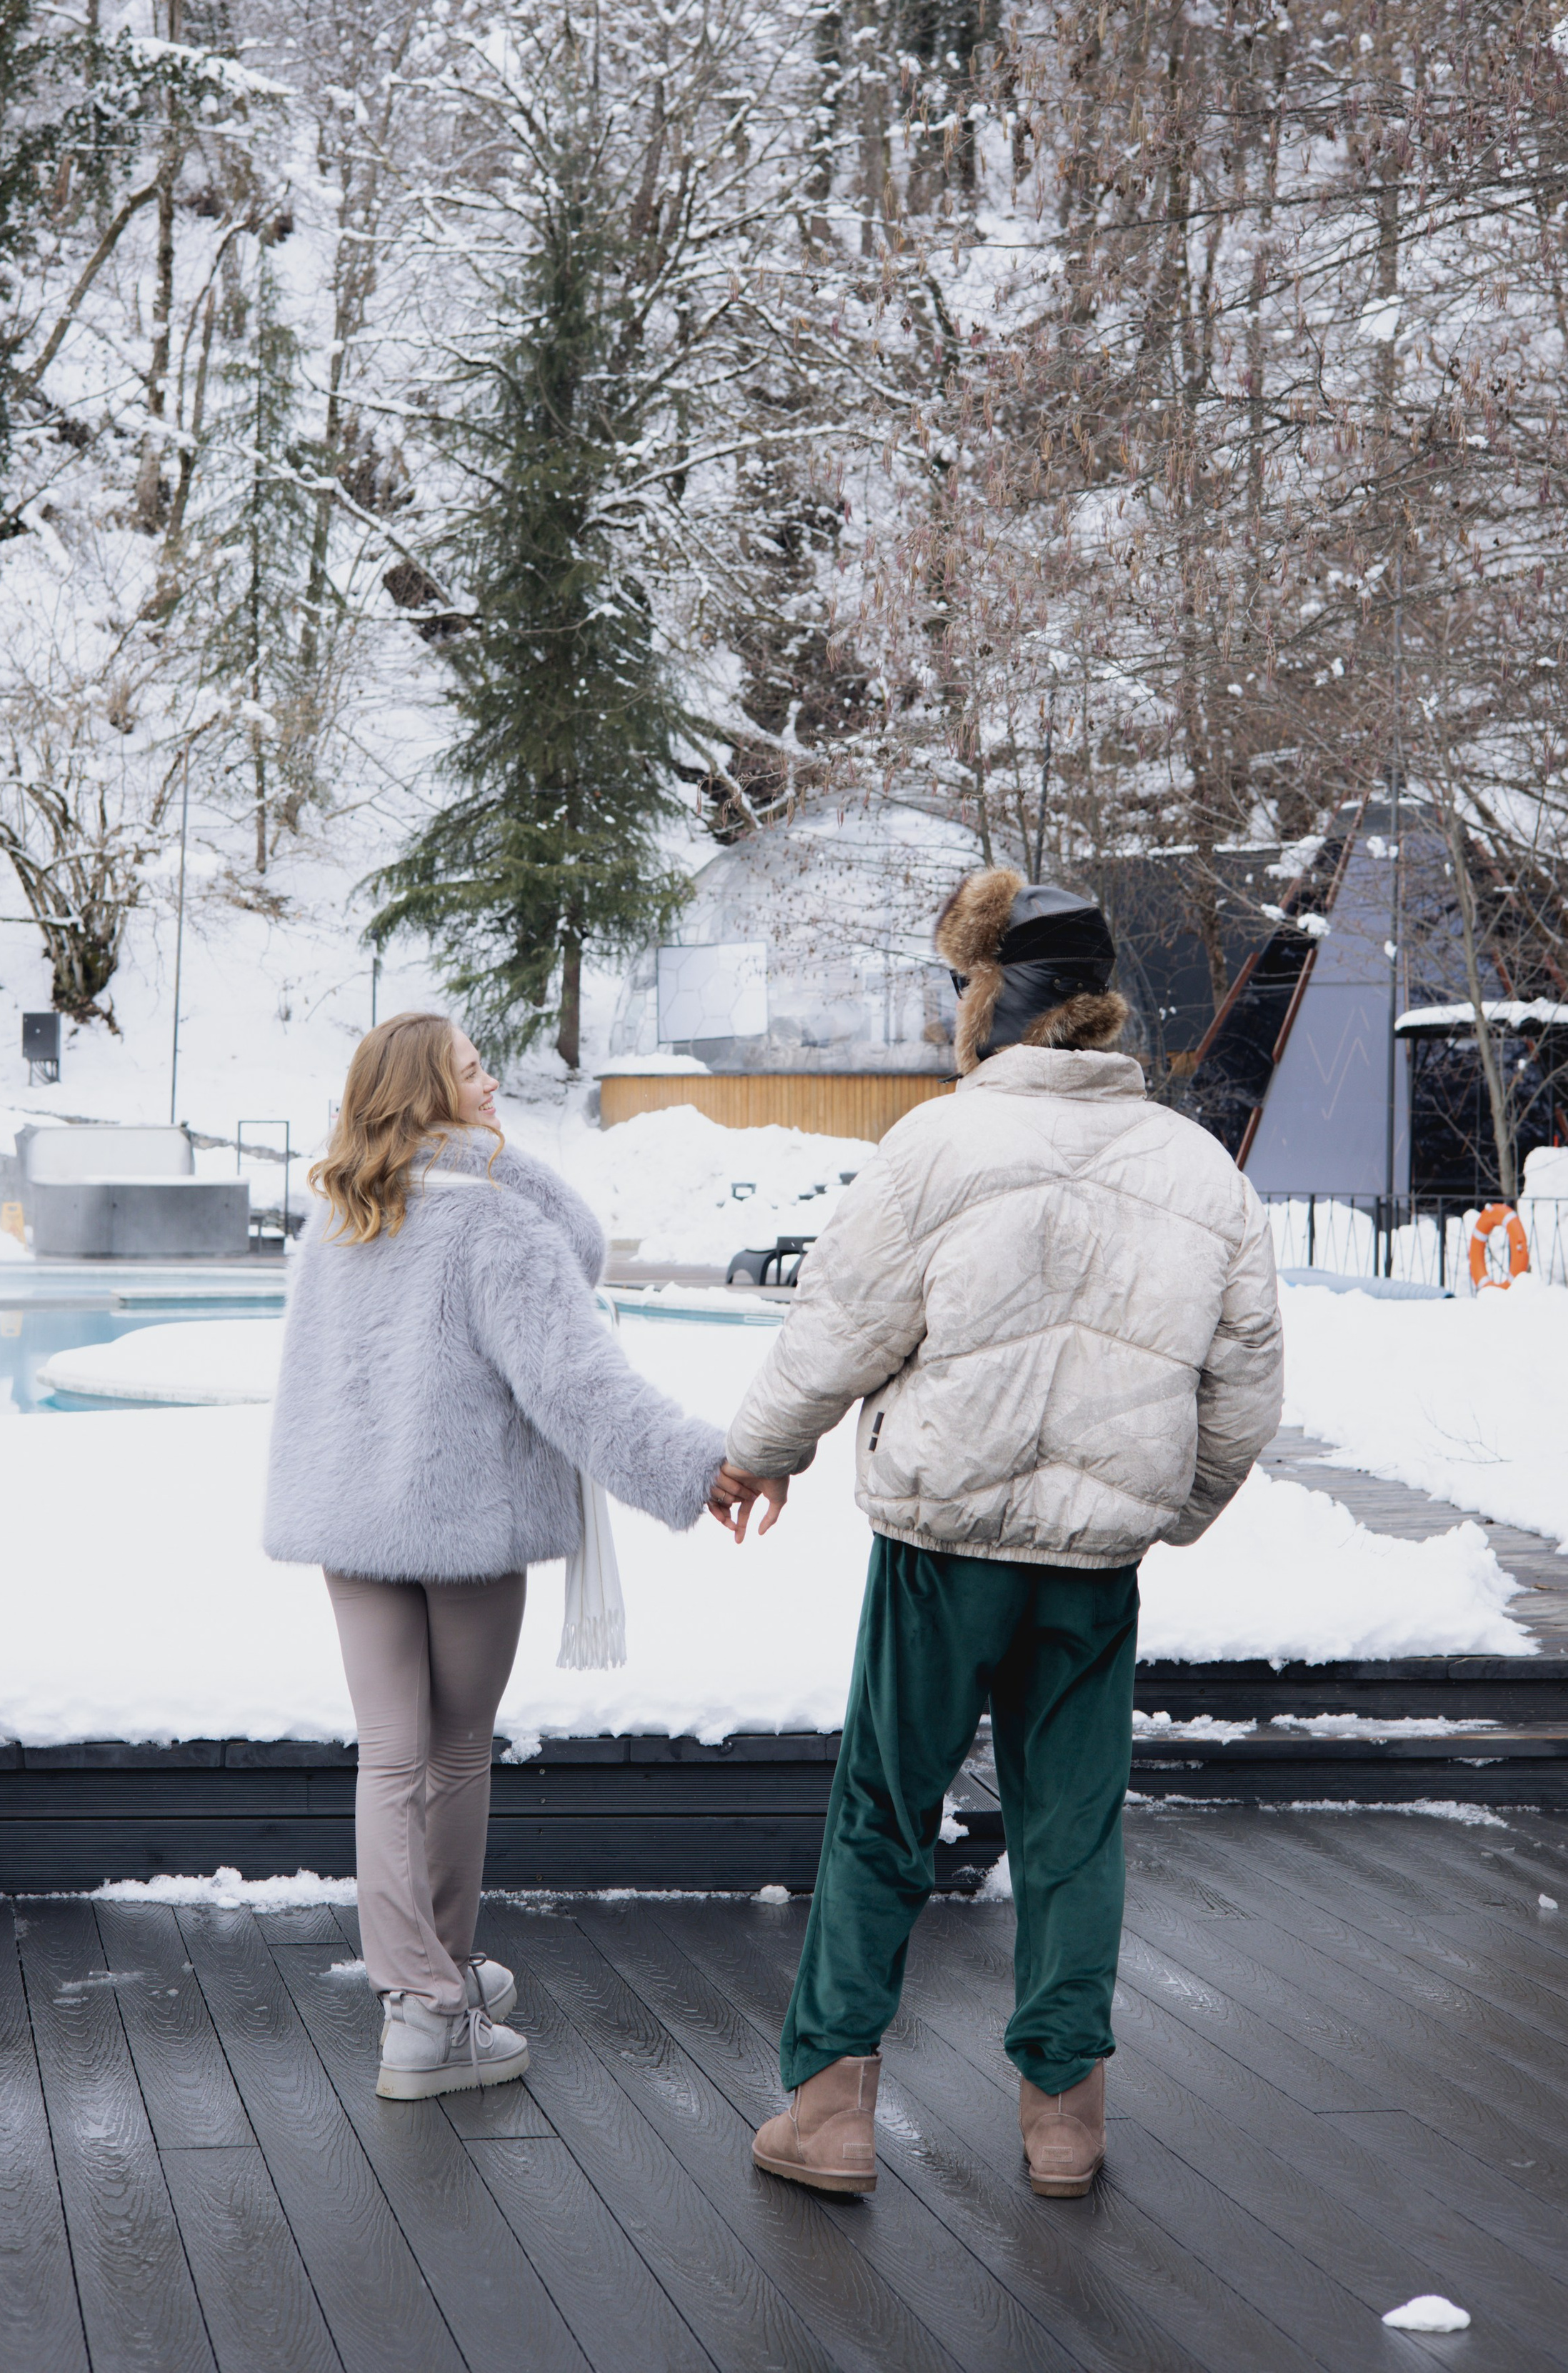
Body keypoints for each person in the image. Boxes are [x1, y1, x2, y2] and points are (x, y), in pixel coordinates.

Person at [724, 869, 1284, 2199]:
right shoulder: (1199, 1169)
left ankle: (831, 2110)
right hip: (1093, 1571)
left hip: (944, 1552)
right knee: (1073, 1831)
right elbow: (1247, 1385)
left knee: (884, 1809)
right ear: (1101, 1010)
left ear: (991, 1004)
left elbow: (841, 1325)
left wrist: (760, 1450)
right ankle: (1064, 2121)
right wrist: (1170, 1508)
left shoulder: (939, 1144)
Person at [263, 1011, 759, 2102]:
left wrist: (491, 1160)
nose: (491, 1083)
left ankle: (426, 1990)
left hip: (354, 1527)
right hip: (465, 1526)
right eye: (471, 1070)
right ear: (426, 1091)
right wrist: (697, 1467)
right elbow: (579, 1385)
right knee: (452, 1755)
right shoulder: (490, 1223)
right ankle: (431, 2010)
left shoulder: (339, 1216)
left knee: (389, 1758)